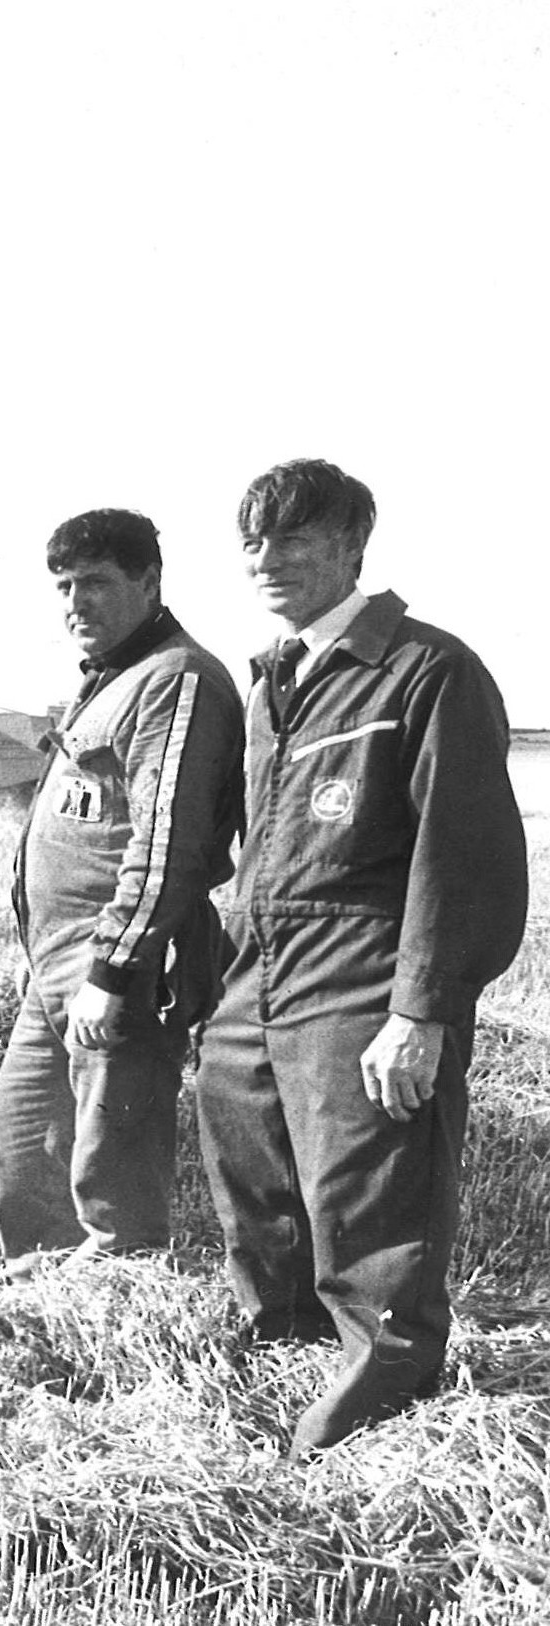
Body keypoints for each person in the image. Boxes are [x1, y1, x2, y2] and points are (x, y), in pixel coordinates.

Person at [198, 458, 529, 1455]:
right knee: (249, 1166)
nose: (269, 560)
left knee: (365, 1188)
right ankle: (281, 1344)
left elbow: (462, 856)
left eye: (295, 540)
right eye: (254, 543)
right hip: (259, 971)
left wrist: (419, 1010)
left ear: (352, 549)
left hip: (364, 969)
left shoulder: (424, 672)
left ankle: (385, 1374)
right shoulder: (273, 685)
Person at [0, 510, 245, 1278]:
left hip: (121, 966)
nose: (74, 603)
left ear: (148, 582)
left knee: (112, 1181)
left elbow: (166, 844)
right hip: (57, 967)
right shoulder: (109, 683)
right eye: (63, 586)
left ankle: (117, 1317)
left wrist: (113, 969)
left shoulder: (177, 681)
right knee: (15, 1139)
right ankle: (49, 1304)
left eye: (95, 582)